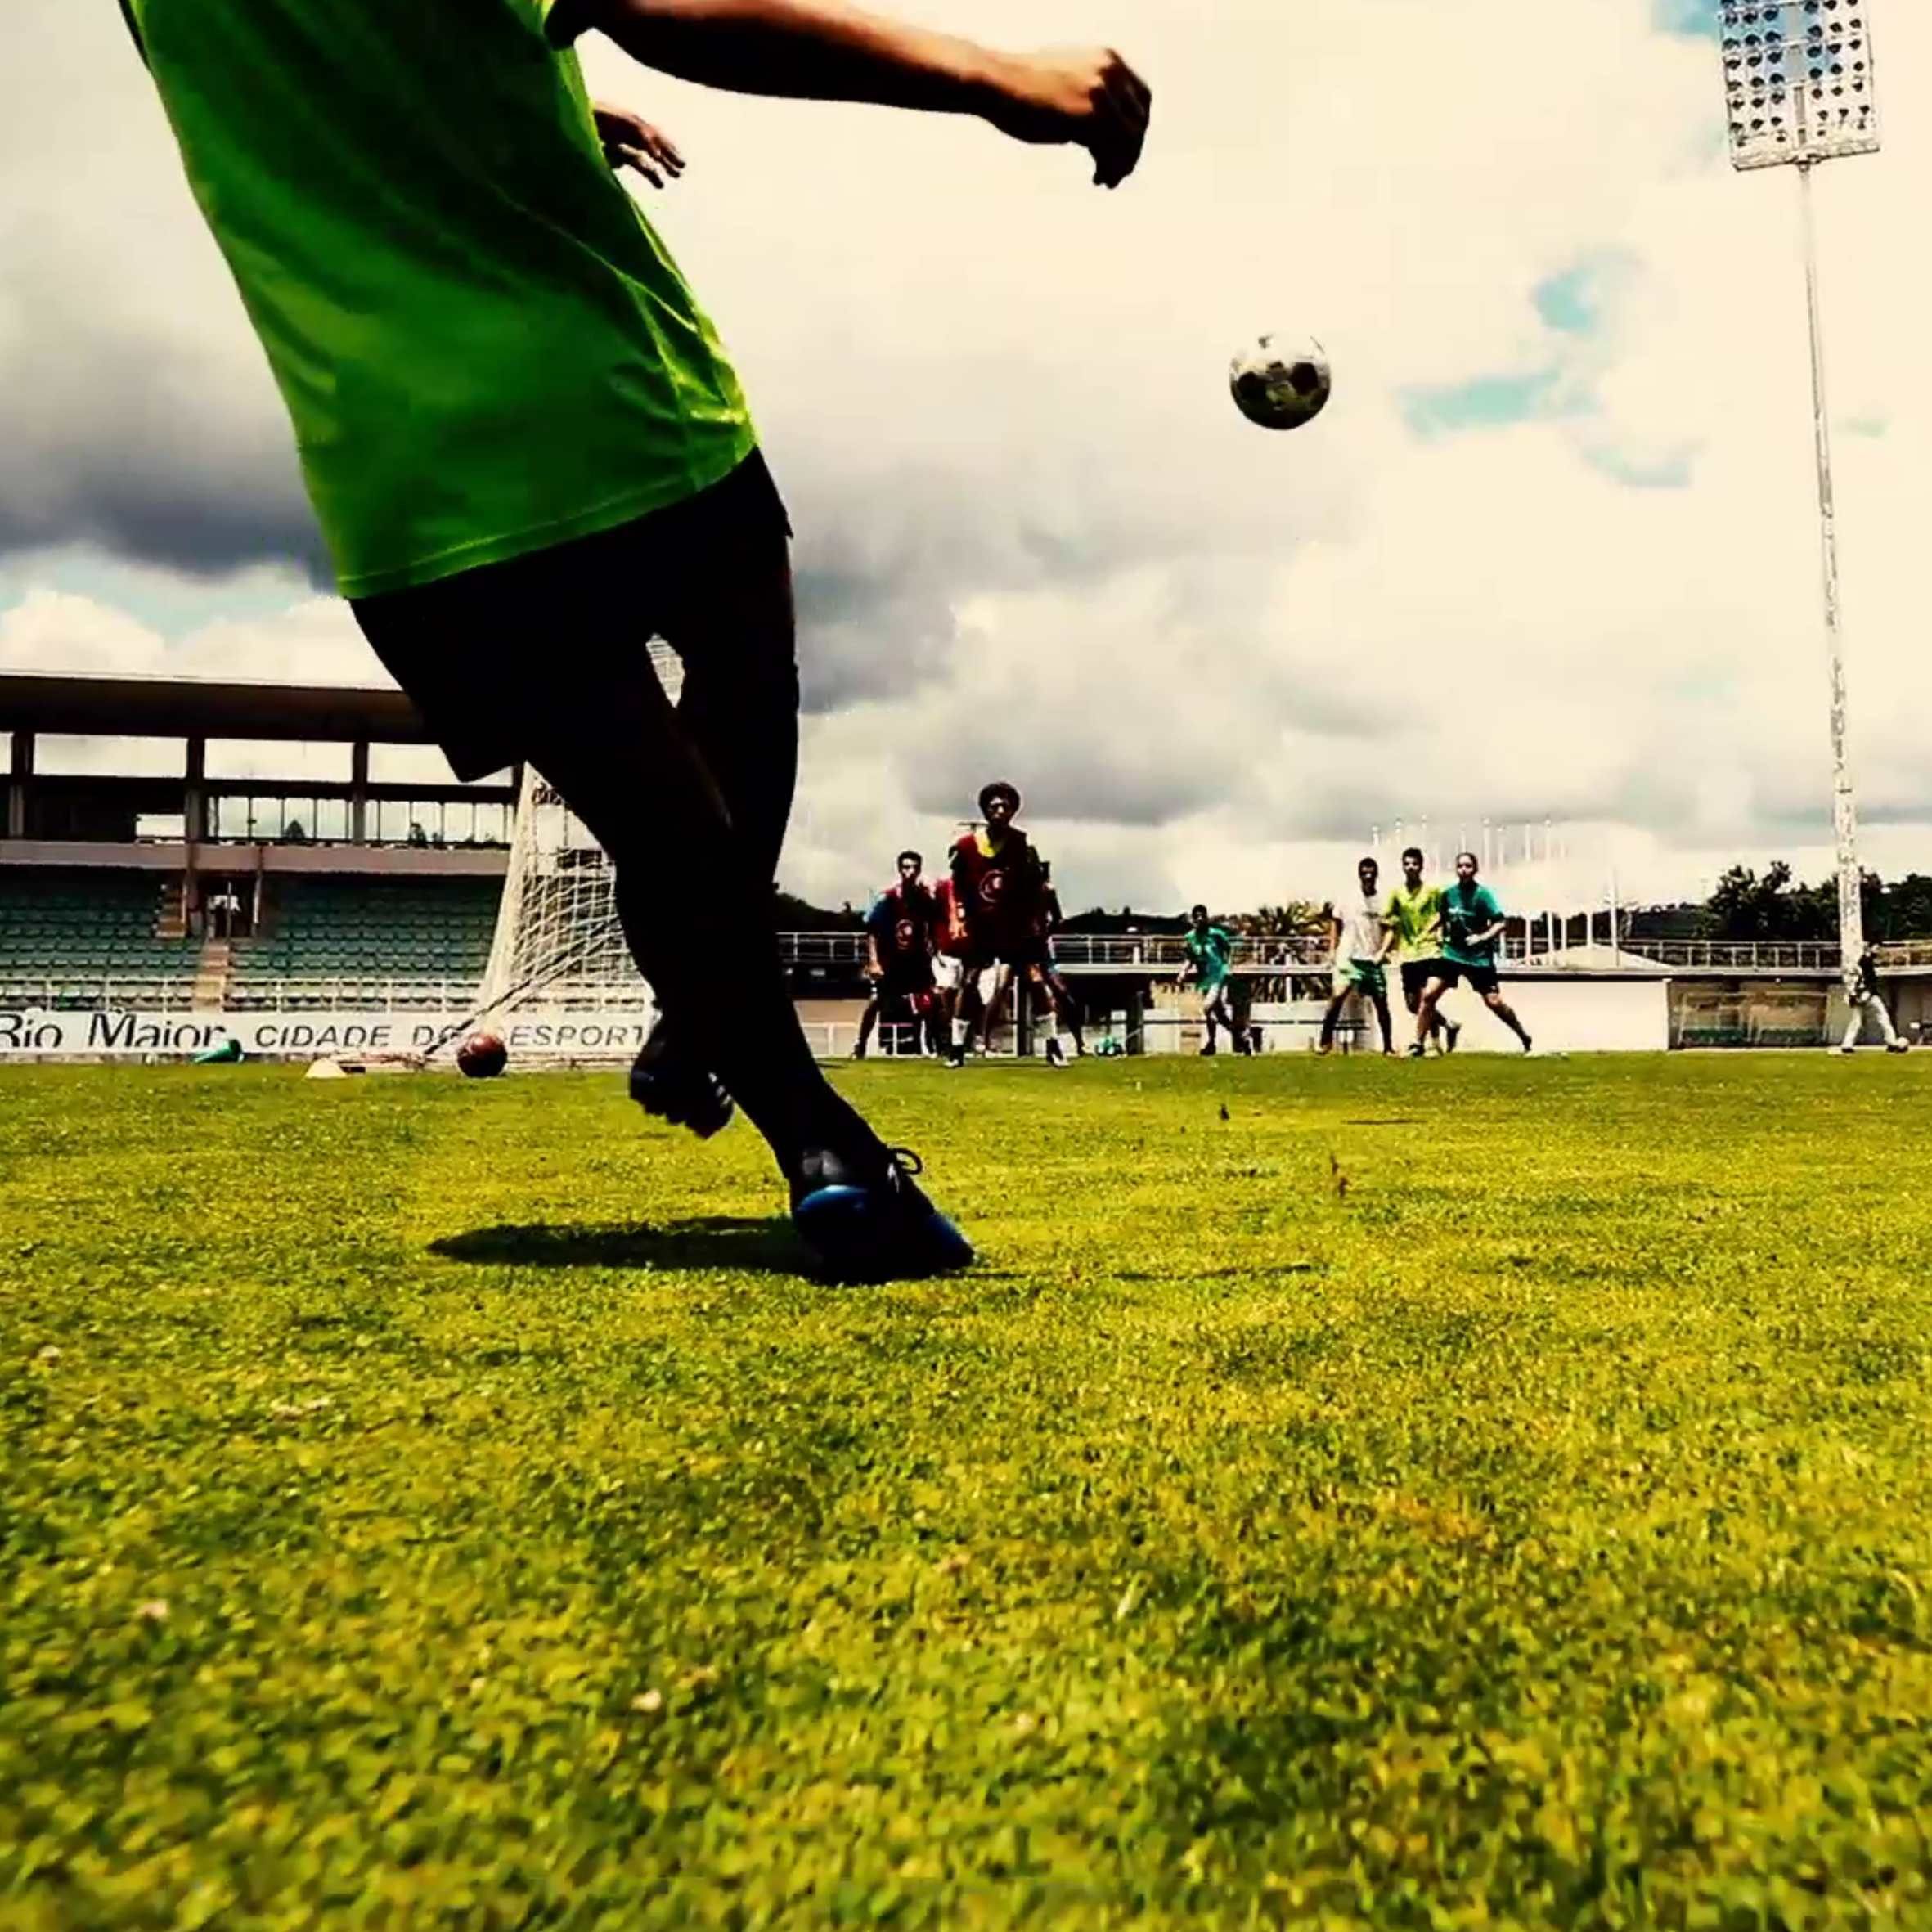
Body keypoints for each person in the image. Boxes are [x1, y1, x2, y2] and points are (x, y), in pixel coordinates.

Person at [114, 0, 1149, 1280]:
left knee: (651, 812)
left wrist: (515, 100)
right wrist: (993, 74)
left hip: (395, 467)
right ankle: (697, 1025)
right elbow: (666, 10)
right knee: (744, 682)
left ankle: (817, 1143)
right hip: (595, 386)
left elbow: (305, 83)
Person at [946, 783, 1080, 1068]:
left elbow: (1034, 886)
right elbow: (955, 885)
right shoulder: (967, 847)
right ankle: (956, 1048)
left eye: (1006, 807)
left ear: (1013, 811)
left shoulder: (1022, 844)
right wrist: (957, 917)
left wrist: (1037, 922)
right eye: (994, 806)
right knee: (969, 981)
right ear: (985, 810)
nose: (1000, 811)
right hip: (981, 923)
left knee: (1034, 979)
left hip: (1013, 923)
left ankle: (1053, 1045)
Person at [1414, 852, 1532, 1054]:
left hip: (1478, 958)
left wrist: (1482, 937)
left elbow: (1500, 922)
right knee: (1429, 995)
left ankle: (1523, 1036)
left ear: (1475, 869)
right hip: (1452, 954)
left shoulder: (1483, 895)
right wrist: (1427, 932)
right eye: (1460, 866)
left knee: (1494, 1003)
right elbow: (1441, 917)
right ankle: (1417, 1044)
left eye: (1468, 866)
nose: (1464, 870)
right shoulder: (1448, 895)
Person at [855, 850, 939, 1058]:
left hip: (916, 961)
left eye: (915, 868)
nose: (911, 872)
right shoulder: (888, 899)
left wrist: (931, 945)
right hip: (891, 961)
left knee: (928, 1001)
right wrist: (874, 962)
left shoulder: (923, 899)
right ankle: (860, 1045)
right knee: (877, 1002)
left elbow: (932, 923)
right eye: (906, 867)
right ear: (900, 870)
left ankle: (928, 1045)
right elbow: (872, 932)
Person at [1383, 847, 1460, 1056]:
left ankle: (1431, 1043)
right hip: (1408, 952)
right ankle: (1448, 1024)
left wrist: (1439, 932)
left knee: (1428, 998)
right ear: (1402, 866)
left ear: (1421, 866)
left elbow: (1444, 913)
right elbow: (1387, 918)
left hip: (1430, 949)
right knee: (1412, 1004)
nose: (1411, 868)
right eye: (1407, 864)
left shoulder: (1433, 891)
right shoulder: (1397, 893)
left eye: (1414, 864)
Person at [1319, 856, 1395, 1054]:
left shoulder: (1383, 901)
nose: (1367, 877)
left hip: (1371, 959)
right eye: (1364, 873)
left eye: (1371, 873)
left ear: (1376, 875)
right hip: (1349, 957)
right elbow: (1335, 922)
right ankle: (1325, 1040)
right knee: (1337, 996)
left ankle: (1388, 1047)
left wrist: (1381, 953)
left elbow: (1389, 929)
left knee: (1381, 1003)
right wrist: (1332, 951)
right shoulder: (1347, 898)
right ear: (1359, 875)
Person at [1177, 905, 1248, 1055]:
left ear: (1207, 917)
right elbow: (1190, 958)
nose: (1200, 919)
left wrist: (1227, 966)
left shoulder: (1216, 934)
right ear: (1193, 919)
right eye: (1197, 916)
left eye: (1203, 916)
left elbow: (1228, 949)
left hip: (1218, 975)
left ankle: (1212, 1043)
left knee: (1207, 1007)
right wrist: (1183, 972)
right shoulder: (1190, 938)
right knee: (1218, 1016)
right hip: (1204, 979)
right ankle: (1241, 1039)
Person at [1840, 946, 1908, 1054]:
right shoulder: (1865, 962)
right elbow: (1868, 980)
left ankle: (1847, 1044)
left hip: (1861, 993)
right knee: (1882, 1016)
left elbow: (1855, 981)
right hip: (1867, 994)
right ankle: (1892, 1042)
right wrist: (1865, 992)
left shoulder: (1861, 962)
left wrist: (1853, 995)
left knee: (1857, 1020)